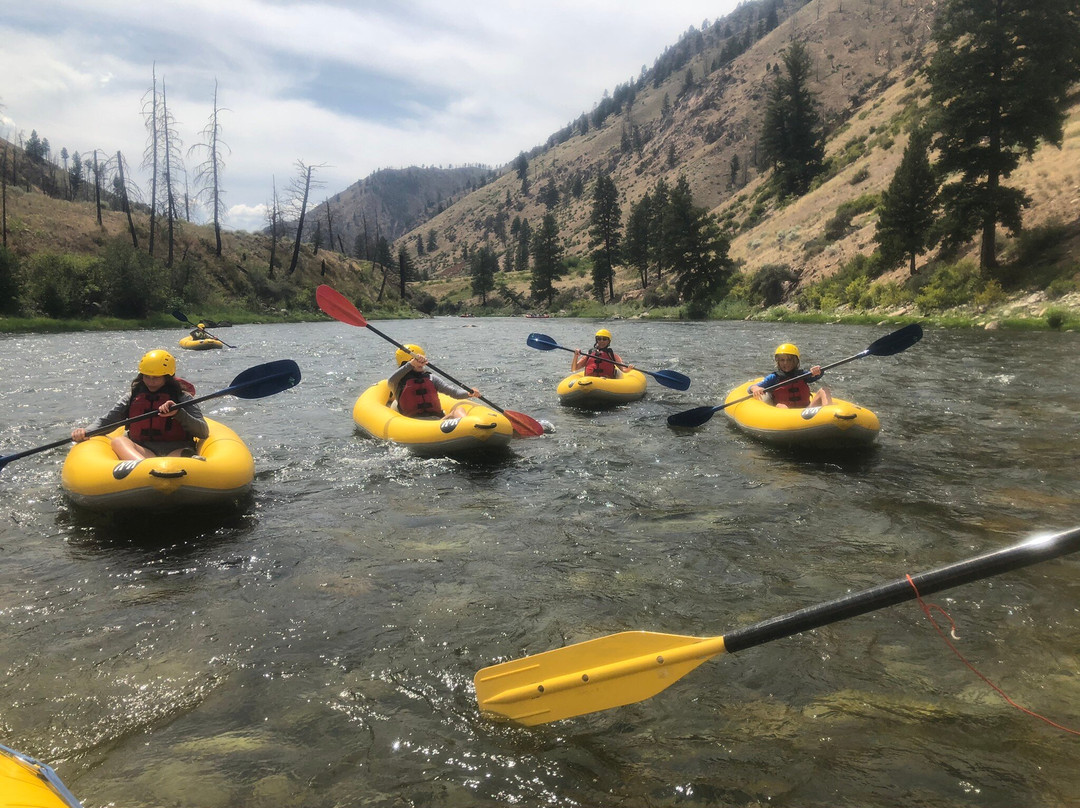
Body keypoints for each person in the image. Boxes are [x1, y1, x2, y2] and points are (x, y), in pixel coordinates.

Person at [71, 350, 209, 461]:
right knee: (119, 441)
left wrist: (178, 413)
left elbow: (203, 432)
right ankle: (143, 469)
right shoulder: (132, 397)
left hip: (176, 450)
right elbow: (108, 421)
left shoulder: (183, 398)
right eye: (147, 376)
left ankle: (170, 467)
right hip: (143, 451)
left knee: (184, 453)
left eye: (156, 377)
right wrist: (86, 432)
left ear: (167, 377)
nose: (150, 381)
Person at [387, 344, 480, 420]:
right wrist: (411, 364)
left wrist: (469, 393)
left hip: (436, 422)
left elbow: (454, 393)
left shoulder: (431, 378)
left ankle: (468, 425)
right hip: (413, 424)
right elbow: (390, 380)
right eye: (416, 361)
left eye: (421, 360)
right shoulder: (397, 381)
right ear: (405, 363)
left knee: (458, 410)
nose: (420, 363)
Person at [750, 343, 832, 409]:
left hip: (806, 410)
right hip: (786, 414)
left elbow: (817, 376)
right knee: (781, 406)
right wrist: (755, 388)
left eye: (789, 360)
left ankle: (828, 413)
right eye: (782, 360)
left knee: (824, 390)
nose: (785, 363)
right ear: (778, 362)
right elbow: (751, 388)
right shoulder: (774, 377)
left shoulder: (802, 375)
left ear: (796, 361)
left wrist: (818, 371)